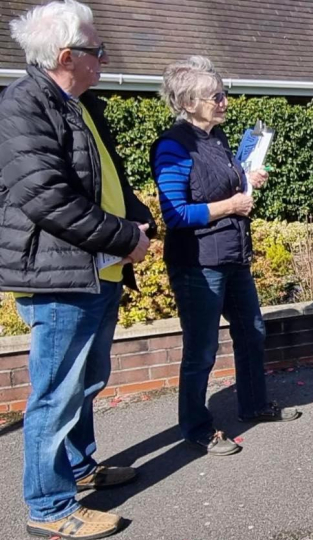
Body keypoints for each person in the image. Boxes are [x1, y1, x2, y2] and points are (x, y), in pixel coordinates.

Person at [0, 1, 157, 537]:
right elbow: (49, 199)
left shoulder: (81, 105)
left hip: (97, 270)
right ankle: (49, 508)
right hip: (59, 275)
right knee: (56, 391)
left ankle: (82, 466)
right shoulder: (24, 105)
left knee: (87, 381)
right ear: (67, 56)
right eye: (97, 50)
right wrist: (123, 238)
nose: (104, 56)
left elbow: (105, 179)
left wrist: (138, 221)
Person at [151, 56, 300, 457]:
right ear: (187, 103)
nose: (224, 102)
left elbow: (221, 185)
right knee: (201, 350)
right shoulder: (172, 146)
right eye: (215, 96)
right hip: (198, 265)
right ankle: (196, 427)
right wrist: (230, 206)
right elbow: (175, 214)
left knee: (252, 332)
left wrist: (246, 180)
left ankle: (253, 405)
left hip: (233, 257)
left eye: (223, 93)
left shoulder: (215, 140)